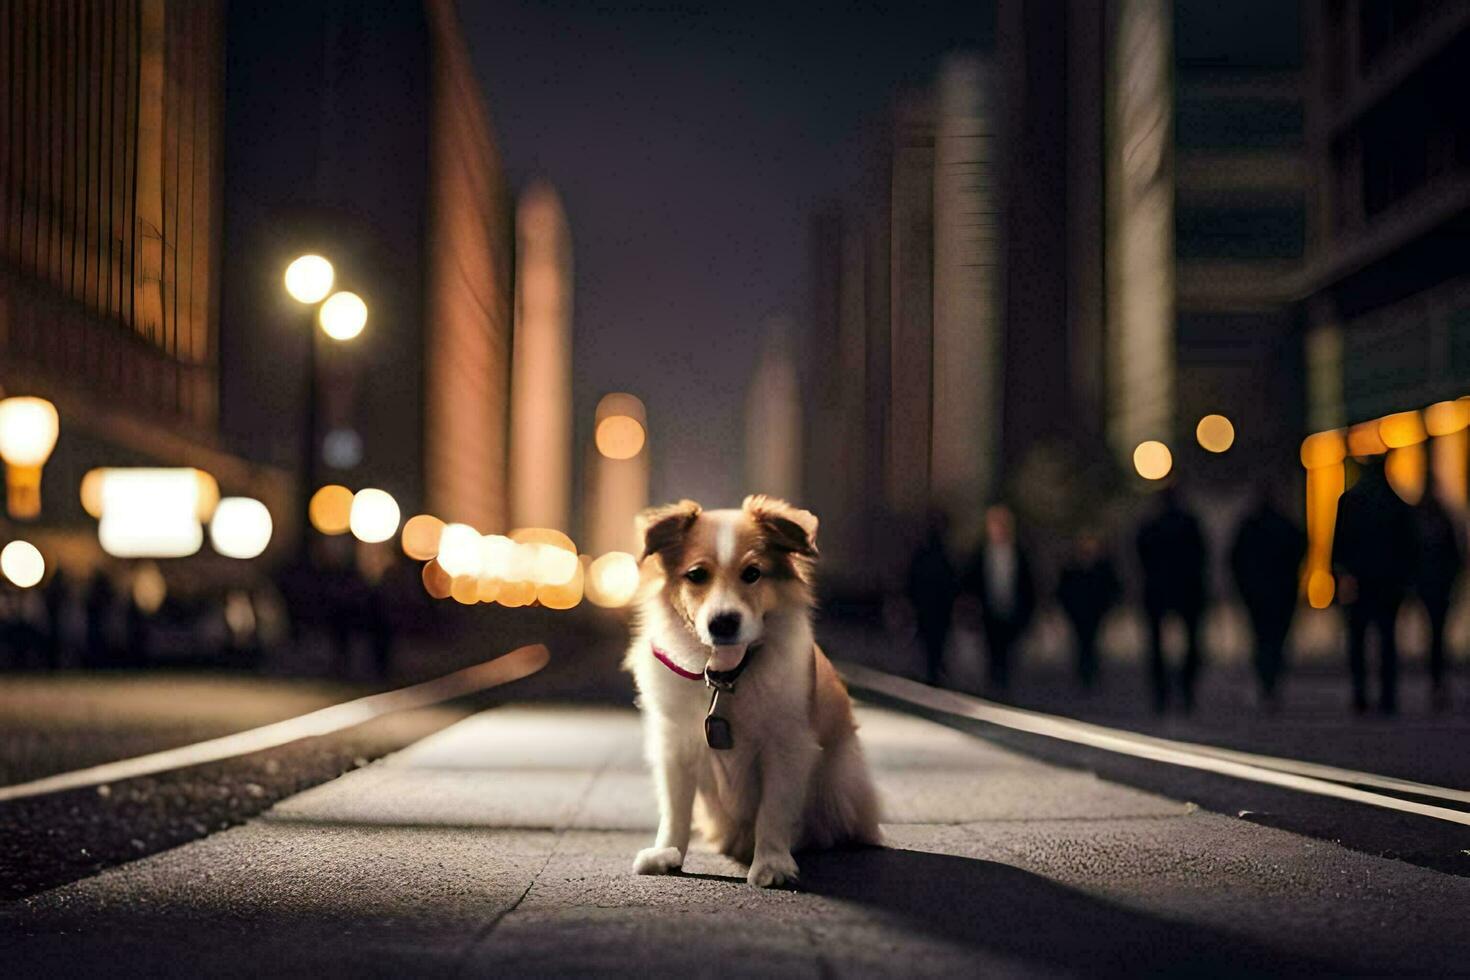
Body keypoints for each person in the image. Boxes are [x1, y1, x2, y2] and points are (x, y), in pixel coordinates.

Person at [1332, 458, 1417, 714]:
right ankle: (1386, 697)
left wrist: (1338, 578)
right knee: (1385, 639)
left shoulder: (1351, 502)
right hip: (1386, 583)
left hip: (1361, 582)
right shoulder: (1395, 503)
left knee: (1359, 640)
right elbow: (1409, 547)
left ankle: (1362, 694)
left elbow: (1338, 547)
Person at [1229, 486, 1307, 711]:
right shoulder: (1284, 525)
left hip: (1260, 594)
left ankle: (1268, 683)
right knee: (1276, 641)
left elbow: (1235, 557)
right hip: (1279, 593)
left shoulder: (1251, 526)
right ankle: (1271, 683)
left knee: (1263, 640)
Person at [1136, 486, 1208, 714]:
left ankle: (1163, 693)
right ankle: (1183, 691)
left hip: (1162, 590)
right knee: (1187, 644)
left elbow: (1140, 554)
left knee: (1159, 646)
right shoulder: (1188, 524)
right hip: (1184, 590)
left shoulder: (1152, 525)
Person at [961, 504, 1035, 694]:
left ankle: (1004, 687)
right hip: (988, 612)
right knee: (991, 652)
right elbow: (971, 583)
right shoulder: (981, 553)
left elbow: (1028, 585)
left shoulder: (1019, 553)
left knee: (1009, 653)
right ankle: (994, 687)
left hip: (1012, 612)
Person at [1413, 492, 1462, 711]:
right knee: (1437, 636)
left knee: (1436, 636)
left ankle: (1437, 680)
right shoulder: (1440, 525)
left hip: (1435, 589)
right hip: (1436, 589)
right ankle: (1437, 680)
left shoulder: (1424, 526)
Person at [1057, 530, 1121, 692]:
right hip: (1077, 612)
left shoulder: (1103, 565)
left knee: (1091, 643)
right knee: (1081, 643)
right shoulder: (1072, 565)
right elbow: (1063, 590)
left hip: (1096, 611)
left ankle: (1090, 674)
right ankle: (1084, 674)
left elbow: (1112, 588)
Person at [905, 510, 960, 687]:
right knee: (932, 648)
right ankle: (933, 676)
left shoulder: (930, 553)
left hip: (934, 608)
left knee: (932, 647)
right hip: (933, 608)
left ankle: (932, 676)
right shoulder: (940, 553)